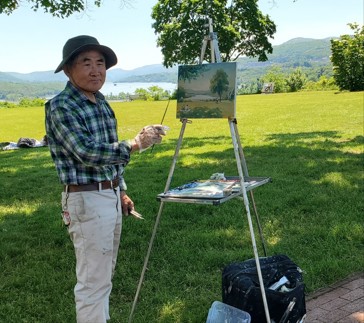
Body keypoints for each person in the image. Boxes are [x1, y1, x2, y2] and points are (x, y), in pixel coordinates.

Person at [45, 35, 166, 322]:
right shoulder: (61, 105)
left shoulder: (100, 102)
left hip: (108, 196)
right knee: (92, 282)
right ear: (68, 69)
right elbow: (85, 152)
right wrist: (135, 144)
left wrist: (120, 190)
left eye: (100, 63)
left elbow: (108, 152)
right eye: (86, 62)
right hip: (85, 199)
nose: (95, 69)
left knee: (104, 274)